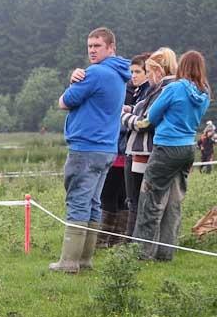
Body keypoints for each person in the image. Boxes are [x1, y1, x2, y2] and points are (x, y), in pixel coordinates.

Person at [49, 27, 131, 273]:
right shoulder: (119, 74)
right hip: (107, 148)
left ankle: (69, 261)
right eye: (89, 47)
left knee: (77, 200)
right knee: (93, 202)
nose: (92, 51)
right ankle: (85, 259)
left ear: (110, 47)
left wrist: (73, 80)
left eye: (97, 46)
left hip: (86, 147)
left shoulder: (95, 73)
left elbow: (64, 102)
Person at [134, 50, 211, 260]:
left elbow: (152, 115)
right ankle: (166, 253)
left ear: (182, 67)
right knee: (174, 202)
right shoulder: (205, 92)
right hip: (188, 149)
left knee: (150, 198)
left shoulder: (174, 88)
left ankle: (141, 253)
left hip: (166, 146)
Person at [121, 48, 178, 237]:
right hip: (164, 149)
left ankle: (136, 244)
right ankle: (157, 245)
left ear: (158, 71)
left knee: (140, 201)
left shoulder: (163, 90)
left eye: (147, 71)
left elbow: (146, 121)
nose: (144, 75)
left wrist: (123, 116)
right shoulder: (173, 88)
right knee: (159, 202)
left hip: (145, 150)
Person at [97, 53, 151, 248]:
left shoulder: (144, 93)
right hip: (122, 148)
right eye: (131, 72)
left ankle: (107, 238)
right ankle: (116, 238)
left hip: (122, 150)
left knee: (111, 196)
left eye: (137, 71)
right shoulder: (133, 90)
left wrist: (122, 117)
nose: (133, 75)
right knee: (120, 197)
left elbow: (133, 122)